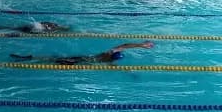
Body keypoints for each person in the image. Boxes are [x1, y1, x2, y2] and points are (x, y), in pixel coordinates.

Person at [9, 41, 154, 65]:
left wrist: (141, 45)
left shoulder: (107, 56)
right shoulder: (107, 58)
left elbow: (123, 46)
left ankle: (27, 57)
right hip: (79, 62)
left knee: (52, 59)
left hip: (81, 58)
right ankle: (27, 59)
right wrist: (141, 45)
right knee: (51, 61)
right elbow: (124, 46)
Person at [0, 21, 70, 34]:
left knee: (1, 27)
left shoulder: (53, 25)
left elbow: (41, 23)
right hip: (27, 29)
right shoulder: (53, 28)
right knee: (0, 27)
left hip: (27, 27)